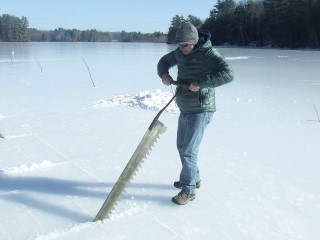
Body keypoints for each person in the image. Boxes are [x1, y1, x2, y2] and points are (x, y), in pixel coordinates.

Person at [157, 22, 234, 205]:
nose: (182, 48)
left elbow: (228, 74)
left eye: (185, 45)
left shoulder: (208, 54)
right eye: (180, 45)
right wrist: (164, 75)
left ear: (193, 41)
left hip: (202, 108)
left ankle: (189, 190)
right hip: (185, 107)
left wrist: (201, 82)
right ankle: (194, 178)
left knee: (189, 151)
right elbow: (164, 62)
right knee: (182, 147)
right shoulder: (180, 52)